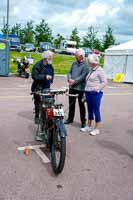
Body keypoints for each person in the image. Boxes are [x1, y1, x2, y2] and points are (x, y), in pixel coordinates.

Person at [80, 53, 107, 135]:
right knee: (90, 109)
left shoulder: (100, 70)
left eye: (89, 61)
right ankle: (89, 126)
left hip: (95, 94)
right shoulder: (91, 69)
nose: (88, 62)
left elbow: (104, 82)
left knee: (96, 110)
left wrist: (97, 89)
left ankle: (97, 128)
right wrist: (85, 92)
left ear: (93, 62)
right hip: (88, 93)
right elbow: (88, 81)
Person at [64, 49, 89, 128]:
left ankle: (83, 122)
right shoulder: (74, 63)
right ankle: (70, 119)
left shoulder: (86, 65)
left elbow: (83, 76)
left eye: (76, 56)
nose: (75, 58)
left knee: (81, 106)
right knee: (71, 104)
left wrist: (74, 81)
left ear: (81, 56)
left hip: (80, 89)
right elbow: (69, 72)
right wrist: (69, 79)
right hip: (72, 87)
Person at [31, 50, 54, 124]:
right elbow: (35, 76)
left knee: (47, 104)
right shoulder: (38, 65)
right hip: (38, 88)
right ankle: (37, 117)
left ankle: (44, 118)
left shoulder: (50, 65)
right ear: (45, 58)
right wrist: (45, 76)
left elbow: (52, 73)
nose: (51, 59)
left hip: (47, 88)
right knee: (38, 104)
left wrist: (51, 80)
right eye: (50, 57)